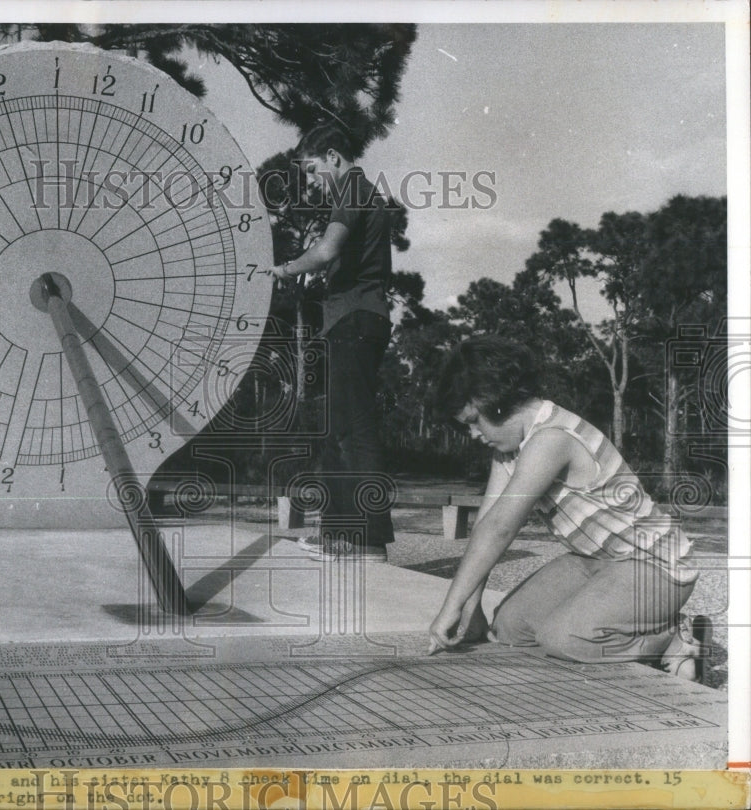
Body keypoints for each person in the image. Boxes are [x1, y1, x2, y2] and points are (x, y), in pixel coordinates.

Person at [426, 336, 707, 680]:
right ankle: (619, 627)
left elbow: (502, 527)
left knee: (566, 639)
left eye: (474, 420)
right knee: (509, 628)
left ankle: (671, 641)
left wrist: (449, 608)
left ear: (496, 402)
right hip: (596, 559)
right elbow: (487, 523)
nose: (472, 434)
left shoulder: (553, 437)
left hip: (656, 565)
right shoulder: (508, 450)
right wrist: (472, 608)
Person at [267, 122, 395, 562]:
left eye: (313, 169)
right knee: (341, 432)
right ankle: (343, 538)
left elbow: (324, 251)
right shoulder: (360, 194)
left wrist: (282, 270)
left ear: (335, 157)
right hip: (355, 320)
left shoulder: (354, 191)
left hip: (356, 321)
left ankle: (369, 541)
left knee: (354, 434)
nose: (311, 181)